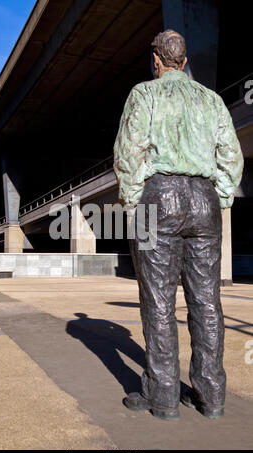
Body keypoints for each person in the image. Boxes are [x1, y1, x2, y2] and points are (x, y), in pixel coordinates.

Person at [113, 30, 244, 421]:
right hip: (203, 201)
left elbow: (128, 152)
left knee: (158, 302)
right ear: (184, 62)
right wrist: (218, 196)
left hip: (159, 197)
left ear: (156, 59)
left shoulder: (144, 95)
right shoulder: (211, 99)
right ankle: (211, 396)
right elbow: (231, 156)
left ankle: (164, 397)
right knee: (207, 303)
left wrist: (134, 199)